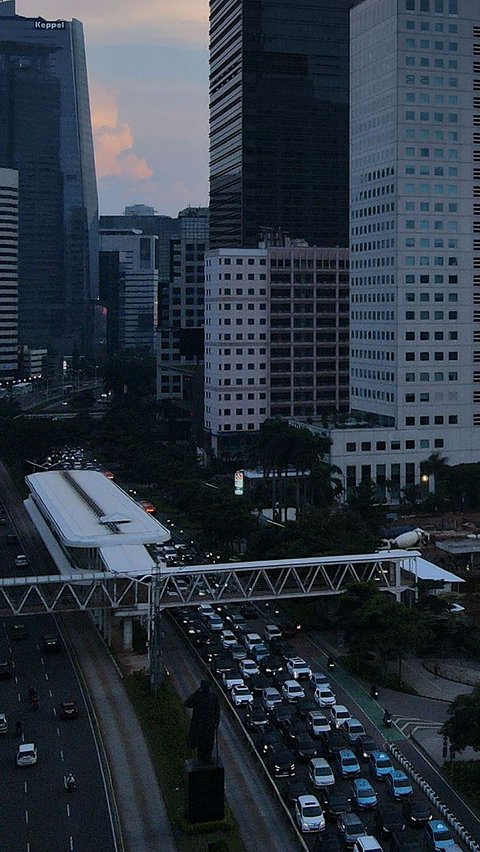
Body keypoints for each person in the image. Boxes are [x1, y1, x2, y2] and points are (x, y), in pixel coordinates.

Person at [184, 680, 220, 765]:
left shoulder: (213, 697)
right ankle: (201, 759)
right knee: (201, 744)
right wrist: (195, 693)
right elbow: (187, 703)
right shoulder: (198, 696)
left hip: (208, 726)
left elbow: (217, 711)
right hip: (200, 726)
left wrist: (216, 722)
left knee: (209, 743)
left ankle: (208, 758)